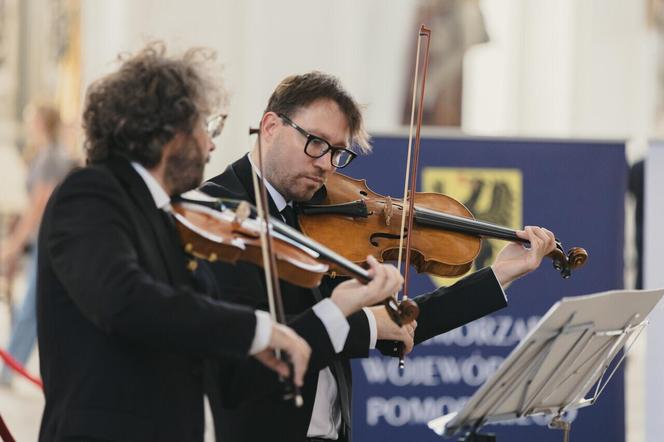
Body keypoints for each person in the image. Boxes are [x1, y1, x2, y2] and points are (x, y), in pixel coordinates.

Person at [36, 45, 402, 442]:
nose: (211, 147)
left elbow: (232, 378)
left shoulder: (172, 222)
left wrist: (337, 309)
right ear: (166, 131)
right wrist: (257, 329)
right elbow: (124, 300)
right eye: (206, 127)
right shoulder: (90, 193)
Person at [201, 71, 556, 442]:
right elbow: (252, 344)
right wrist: (369, 325)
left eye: (338, 152)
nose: (326, 165)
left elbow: (400, 326)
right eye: (316, 143)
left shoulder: (319, 214)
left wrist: (499, 275)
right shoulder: (218, 211)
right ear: (271, 126)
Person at [0, 102, 75, 386]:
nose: (28, 122)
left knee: (33, 305)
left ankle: (8, 370)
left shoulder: (50, 157)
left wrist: (14, 242)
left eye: (32, 118)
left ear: (42, 122)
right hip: (42, 239)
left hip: (47, 238)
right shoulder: (44, 154)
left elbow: (39, 204)